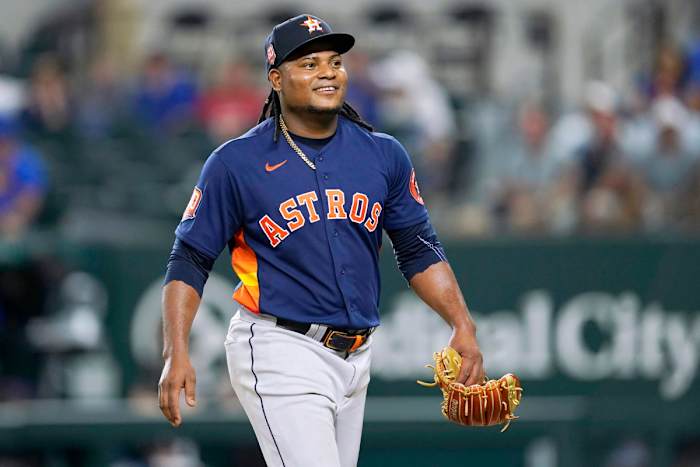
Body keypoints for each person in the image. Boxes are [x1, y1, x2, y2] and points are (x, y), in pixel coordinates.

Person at [158, 14, 483, 467]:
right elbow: (188, 259)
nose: (328, 71)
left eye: (334, 61)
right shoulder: (236, 163)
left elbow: (418, 249)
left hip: (356, 356)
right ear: (276, 78)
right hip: (278, 346)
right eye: (308, 63)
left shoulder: (383, 154)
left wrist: (461, 324)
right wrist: (177, 352)